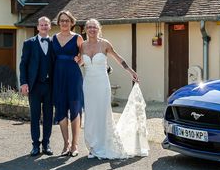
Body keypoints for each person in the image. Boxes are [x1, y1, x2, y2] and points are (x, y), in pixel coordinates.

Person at [81, 18, 149, 160]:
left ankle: (104, 145)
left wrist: (131, 72)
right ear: (85, 29)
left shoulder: (105, 44)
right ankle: (93, 146)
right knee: (91, 115)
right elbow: (80, 62)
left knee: (103, 113)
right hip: (88, 85)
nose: (92, 29)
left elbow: (119, 59)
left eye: (94, 27)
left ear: (98, 29)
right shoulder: (82, 46)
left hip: (102, 84)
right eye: (89, 27)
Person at [19, 16, 54, 156]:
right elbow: (23, 64)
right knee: (34, 116)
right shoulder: (29, 43)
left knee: (48, 115)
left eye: (46, 24)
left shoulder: (54, 43)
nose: (44, 27)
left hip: (50, 85)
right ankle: (35, 145)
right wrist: (23, 82)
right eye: (42, 25)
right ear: (38, 27)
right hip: (34, 85)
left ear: (49, 26)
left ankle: (46, 144)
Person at [52, 10, 84, 157]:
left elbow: (84, 57)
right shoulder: (53, 38)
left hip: (73, 76)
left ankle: (75, 145)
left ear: (72, 22)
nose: (64, 23)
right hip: (58, 76)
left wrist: (79, 59)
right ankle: (66, 143)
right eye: (62, 20)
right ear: (58, 23)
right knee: (61, 109)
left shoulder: (78, 38)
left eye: (67, 20)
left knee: (75, 108)